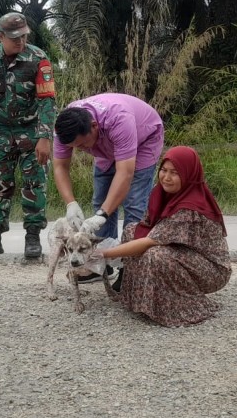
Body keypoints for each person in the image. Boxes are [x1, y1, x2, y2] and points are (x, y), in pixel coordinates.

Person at [100, 146, 230, 327]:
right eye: (164, 170)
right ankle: (138, 299)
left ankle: (179, 308)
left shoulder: (189, 206)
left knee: (157, 255)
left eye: (175, 173)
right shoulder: (161, 192)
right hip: (185, 254)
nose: (166, 177)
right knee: (131, 231)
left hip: (211, 269)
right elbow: (144, 227)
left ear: (188, 174)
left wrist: (103, 254)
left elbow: (149, 241)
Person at [52, 93, 164, 281]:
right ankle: (102, 266)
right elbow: (60, 166)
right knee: (100, 201)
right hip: (105, 145)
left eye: (81, 144)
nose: (79, 149)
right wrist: (70, 203)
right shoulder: (65, 127)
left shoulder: (119, 120)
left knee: (135, 206)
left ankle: (131, 270)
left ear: (94, 126)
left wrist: (102, 215)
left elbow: (125, 173)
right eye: (75, 147)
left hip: (144, 139)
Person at [0, 12, 56, 259]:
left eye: (24, 35)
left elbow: (47, 101)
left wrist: (44, 137)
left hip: (31, 133)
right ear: (1, 36)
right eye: (14, 37)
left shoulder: (38, 58)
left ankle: (32, 238)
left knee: (34, 184)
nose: (20, 41)